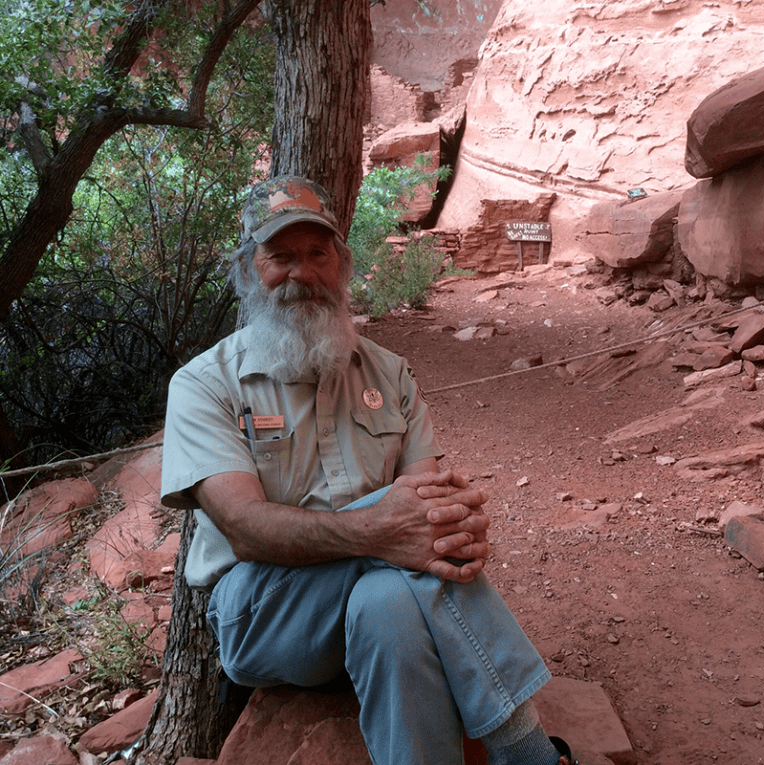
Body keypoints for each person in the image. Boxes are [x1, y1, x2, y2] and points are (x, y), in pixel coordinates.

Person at [160, 176, 576, 765]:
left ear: (342, 264)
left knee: (390, 605)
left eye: (317, 253)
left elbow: (428, 517)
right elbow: (246, 529)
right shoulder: (204, 384)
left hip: (377, 594)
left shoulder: (390, 373)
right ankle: (531, 755)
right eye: (280, 256)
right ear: (249, 270)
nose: (301, 273)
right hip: (264, 613)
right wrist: (382, 530)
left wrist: (446, 527)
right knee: (401, 556)